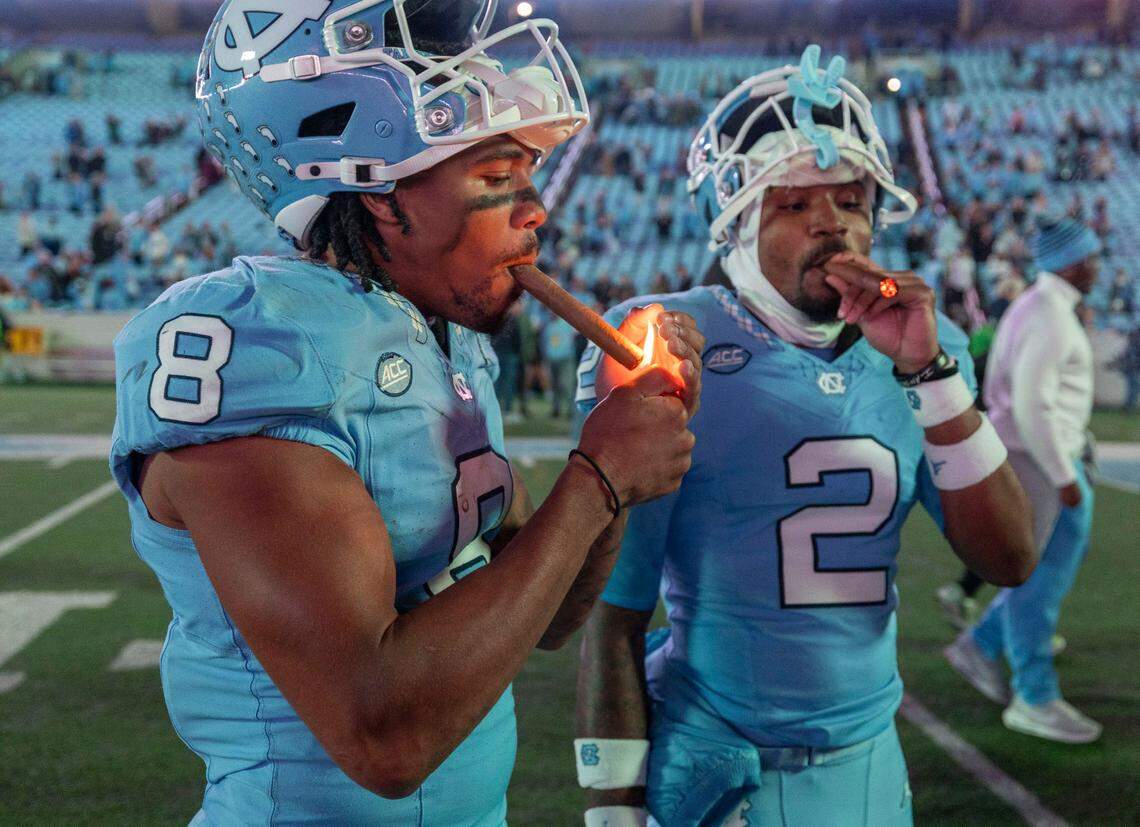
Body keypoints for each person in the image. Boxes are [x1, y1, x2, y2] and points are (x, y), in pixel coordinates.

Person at [108, 3, 703, 823]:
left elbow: (551, 612)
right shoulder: (257, 346)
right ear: (373, 185)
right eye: (496, 175)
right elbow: (382, 736)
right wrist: (597, 479)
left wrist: (608, 446)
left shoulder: (441, 333)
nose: (535, 210)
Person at [574, 46, 1034, 827]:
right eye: (793, 204)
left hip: (870, 765)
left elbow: (1009, 558)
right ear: (736, 222)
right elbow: (614, 612)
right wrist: (612, 810)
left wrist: (933, 375)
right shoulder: (670, 342)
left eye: (851, 199)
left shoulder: (924, 341)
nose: (833, 222)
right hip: (723, 771)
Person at [944, 217, 1102, 744]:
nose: (1098, 268)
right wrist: (1064, 474)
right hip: (1040, 459)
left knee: (1040, 572)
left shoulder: (1036, 306)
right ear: (1072, 262)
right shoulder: (1051, 316)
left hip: (1030, 453)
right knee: (1041, 581)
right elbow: (1034, 404)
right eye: (1091, 258)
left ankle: (982, 644)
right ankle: (1034, 696)